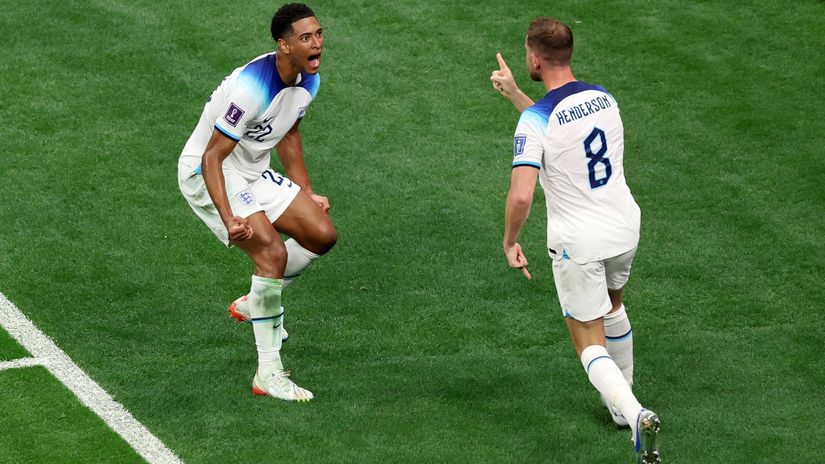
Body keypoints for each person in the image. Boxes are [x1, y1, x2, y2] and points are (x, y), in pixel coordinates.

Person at [490, 17, 660, 462]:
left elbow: (523, 193)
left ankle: (635, 413)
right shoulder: (603, 98)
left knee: (587, 340)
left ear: (533, 56)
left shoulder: (536, 120)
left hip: (578, 243)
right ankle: (623, 408)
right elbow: (566, 136)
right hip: (624, 227)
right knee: (614, 306)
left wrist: (510, 241)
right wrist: (515, 96)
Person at [177, 3, 337, 402]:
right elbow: (212, 156)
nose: (316, 43)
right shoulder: (252, 88)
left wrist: (306, 190)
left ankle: (257, 301)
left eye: (318, 34)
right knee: (271, 253)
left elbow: (289, 133)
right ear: (283, 46)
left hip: (250, 167)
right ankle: (268, 372)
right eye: (305, 38)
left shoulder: (307, 79)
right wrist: (229, 217)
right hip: (209, 171)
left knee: (321, 234)